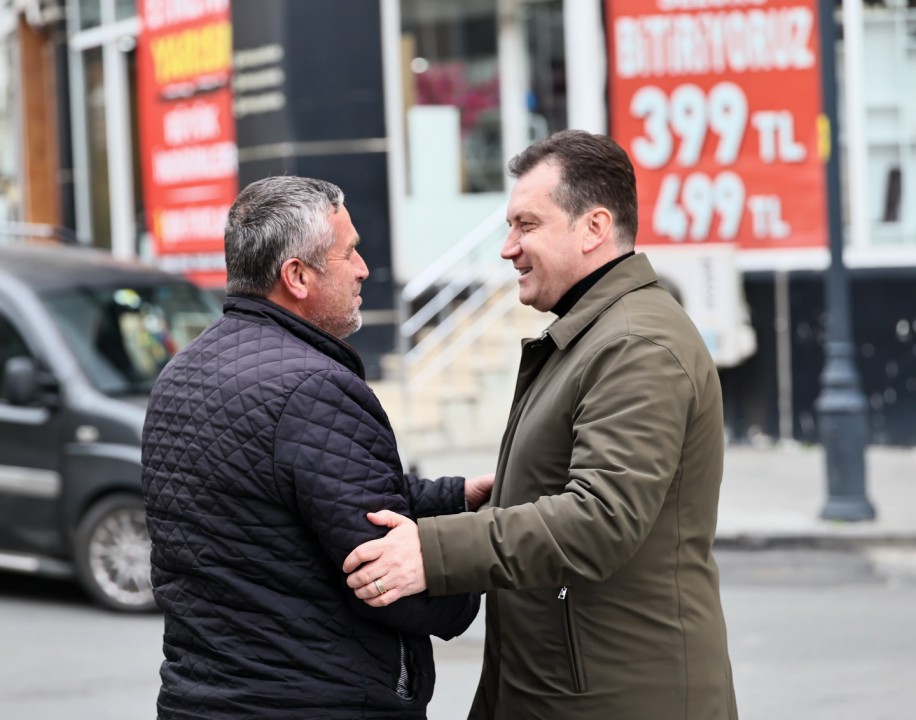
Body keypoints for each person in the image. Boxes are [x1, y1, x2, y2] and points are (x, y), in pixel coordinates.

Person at [343, 130, 739, 719]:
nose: (509, 248)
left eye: (526, 225)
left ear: (594, 227)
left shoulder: (636, 345)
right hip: (559, 688)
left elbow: (600, 519)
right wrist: (490, 495)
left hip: (618, 699)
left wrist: (431, 552)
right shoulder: (594, 333)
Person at [141, 176, 487, 720]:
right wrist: (479, 560)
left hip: (199, 700)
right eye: (348, 253)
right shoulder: (314, 389)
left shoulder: (181, 372)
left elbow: (301, 498)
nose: (363, 269)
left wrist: (454, 497)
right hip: (318, 702)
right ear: (297, 276)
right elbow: (387, 580)